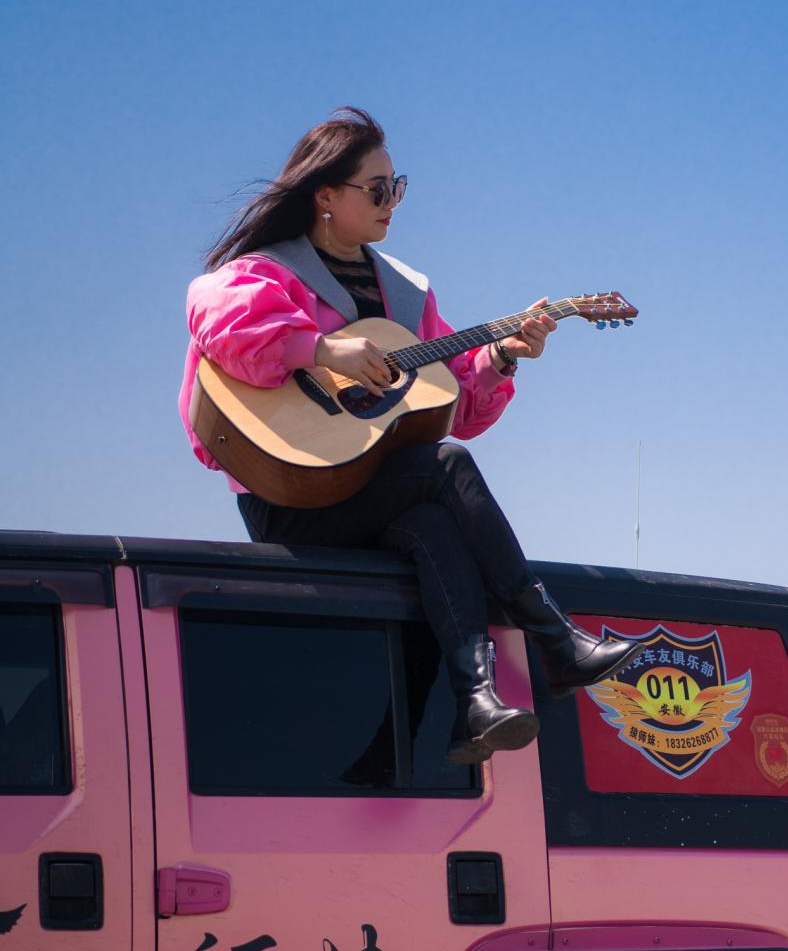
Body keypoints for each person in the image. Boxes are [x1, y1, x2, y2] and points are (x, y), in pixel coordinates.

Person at [179, 107, 638, 762]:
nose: (392, 201)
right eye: (377, 189)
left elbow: (452, 406)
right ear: (326, 197)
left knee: (434, 521)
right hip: (291, 496)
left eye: (397, 186)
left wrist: (501, 357)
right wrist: (321, 352)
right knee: (443, 469)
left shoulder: (406, 293)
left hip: (371, 490)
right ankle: (553, 636)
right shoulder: (262, 272)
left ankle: (476, 702)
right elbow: (221, 324)